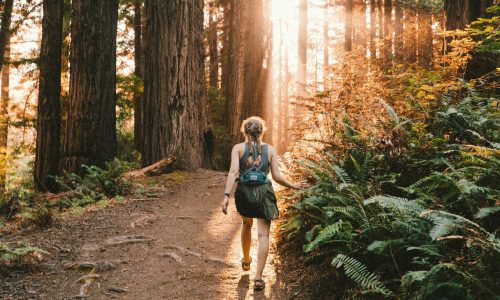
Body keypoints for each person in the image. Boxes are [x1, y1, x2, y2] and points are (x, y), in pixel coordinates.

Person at [221, 116, 301, 291]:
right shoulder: (270, 150)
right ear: (261, 131)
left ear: (245, 132)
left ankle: (247, 260)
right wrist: (293, 185)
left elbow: (234, 171)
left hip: (244, 195)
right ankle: (258, 277)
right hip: (264, 195)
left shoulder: (238, 149)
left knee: (246, 224)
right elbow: (277, 177)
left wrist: (226, 195)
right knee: (263, 235)